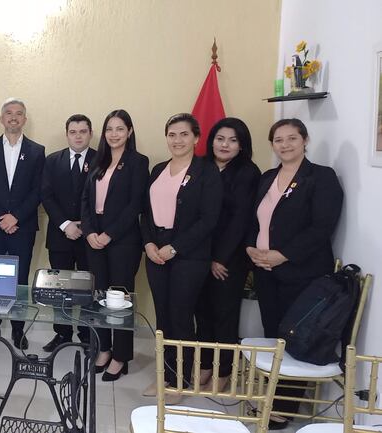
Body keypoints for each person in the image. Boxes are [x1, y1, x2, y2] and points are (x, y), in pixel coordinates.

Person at [246, 118, 343, 429]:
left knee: (294, 339)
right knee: (273, 334)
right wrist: (251, 249)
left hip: (301, 274)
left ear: (305, 140)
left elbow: (321, 227)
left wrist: (282, 255)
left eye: (291, 138)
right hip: (265, 271)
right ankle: (272, 396)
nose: (285, 145)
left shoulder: (321, 177)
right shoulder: (268, 177)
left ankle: (283, 406)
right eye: (278, 140)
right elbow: (257, 219)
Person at [141, 113, 222, 402]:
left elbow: (208, 219)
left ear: (197, 138)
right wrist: (149, 243)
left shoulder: (207, 171)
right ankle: (164, 377)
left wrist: (175, 247)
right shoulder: (158, 169)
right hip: (156, 251)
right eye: (172, 134)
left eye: (184, 134)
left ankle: (179, 382)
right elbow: (146, 212)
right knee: (163, 317)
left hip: (189, 254)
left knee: (181, 318)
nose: (177, 140)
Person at [81, 109, 149, 381]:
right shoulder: (99, 161)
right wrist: (88, 232)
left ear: (129, 132)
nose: (114, 134)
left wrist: (109, 234)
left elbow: (136, 205)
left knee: (119, 299)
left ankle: (121, 356)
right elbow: (85, 200)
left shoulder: (138, 162)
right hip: (94, 237)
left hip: (122, 240)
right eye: (109, 129)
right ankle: (104, 349)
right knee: (98, 297)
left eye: (120, 129)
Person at [195, 118, 261, 390]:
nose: (225, 145)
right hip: (198, 254)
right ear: (211, 140)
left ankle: (224, 372)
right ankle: (205, 366)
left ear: (242, 144)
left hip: (228, 259)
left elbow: (240, 220)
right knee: (203, 313)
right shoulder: (200, 167)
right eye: (220, 138)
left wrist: (219, 258)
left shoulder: (248, 172)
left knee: (224, 315)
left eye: (233, 140)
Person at [0, 98, 45, 350]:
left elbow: (38, 190)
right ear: (2, 118)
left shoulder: (37, 151)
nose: (13, 117)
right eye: (9, 113)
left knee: (20, 280)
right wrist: (2, 218)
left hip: (23, 226)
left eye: (19, 114)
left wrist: (15, 217)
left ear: (24, 119)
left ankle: (18, 330)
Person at [40, 114, 97, 352]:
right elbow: (46, 195)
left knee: (86, 288)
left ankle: (86, 335)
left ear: (90, 134)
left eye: (83, 131)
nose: (78, 136)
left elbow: (102, 199)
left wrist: (83, 226)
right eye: (73, 132)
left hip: (89, 236)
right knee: (59, 288)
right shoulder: (53, 160)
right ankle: (62, 334)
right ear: (67, 134)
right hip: (60, 235)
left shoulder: (101, 160)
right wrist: (65, 224)